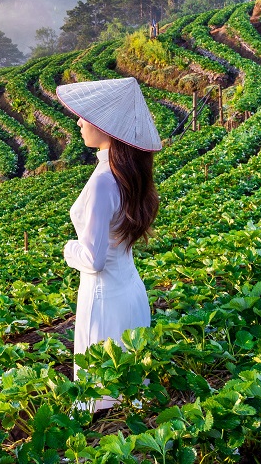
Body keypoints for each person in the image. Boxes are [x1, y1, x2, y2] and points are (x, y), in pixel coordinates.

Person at [55, 77, 161, 411]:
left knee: (99, 399)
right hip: (129, 292)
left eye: (86, 116)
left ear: (107, 127)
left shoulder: (103, 181)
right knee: (127, 393)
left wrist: (66, 249)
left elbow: (93, 259)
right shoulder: (125, 174)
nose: (79, 121)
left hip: (103, 299)